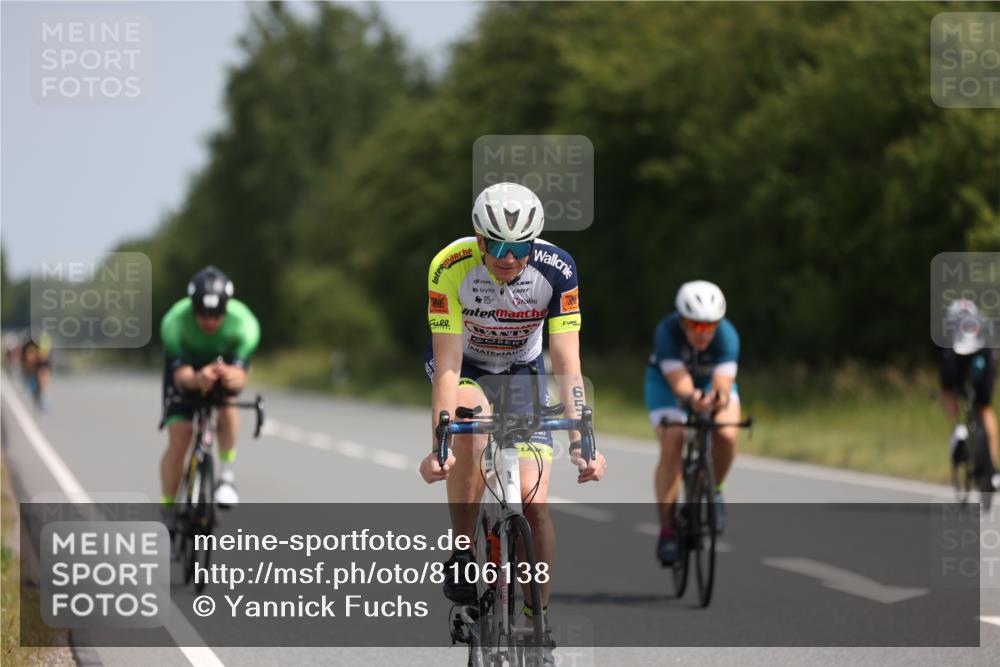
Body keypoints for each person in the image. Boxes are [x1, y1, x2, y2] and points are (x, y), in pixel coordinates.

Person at [418, 182, 607, 647]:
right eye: (497, 245)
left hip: (522, 371)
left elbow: (567, 361)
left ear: (533, 242)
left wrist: (584, 440)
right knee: (472, 418)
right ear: (479, 241)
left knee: (535, 501)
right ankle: (463, 550)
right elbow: (447, 366)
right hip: (466, 367)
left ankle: (534, 614)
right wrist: (440, 444)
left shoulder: (558, 269)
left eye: (519, 246)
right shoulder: (448, 266)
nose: (508, 256)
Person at [645, 280, 741, 565]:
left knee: (726, 434)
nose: (702, 333)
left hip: (710, 385)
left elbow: (723, 383)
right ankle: (667, 529)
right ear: (681, 320)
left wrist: (718, 400)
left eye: (709, 326)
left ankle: (715, 489)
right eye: (695, 324)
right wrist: (692, 399)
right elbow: (680, 384)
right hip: (666, 386)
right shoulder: (667, 332)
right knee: (673, 441)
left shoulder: (728, 336)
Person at [159, 266, 260, 517]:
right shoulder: (174, 322)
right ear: (192, 308)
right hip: (188, 373)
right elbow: (181, 377)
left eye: (216, 314)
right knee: (180, 437)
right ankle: (168, 513)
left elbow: (240, 379)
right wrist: (196, 380)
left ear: (227, 308)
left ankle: (226, 476)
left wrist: (232, 377)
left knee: (228, 405)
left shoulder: (245, 324)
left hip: (221, 370)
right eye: (202, 314)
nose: (209, 321)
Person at [939, 298, 998, 487]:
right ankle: (960, 430)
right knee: (980, 406)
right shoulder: (951, 334)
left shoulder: (981, 332)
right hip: (969, 356)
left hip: (975, 357)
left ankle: (992, 467)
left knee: (977, 404)